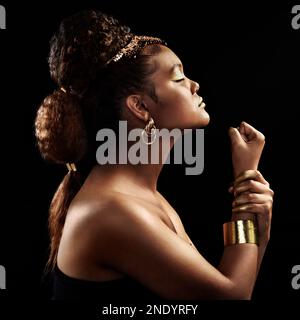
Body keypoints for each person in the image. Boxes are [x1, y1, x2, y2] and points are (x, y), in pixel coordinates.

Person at [35, 10, 274, 301]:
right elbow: (233, 297)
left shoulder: (141, 196)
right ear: (140, 106)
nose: (194, 85)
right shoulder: (111, 210)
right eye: (179, 78)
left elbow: (237, 286)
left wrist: (258, 222)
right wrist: (245, 194)